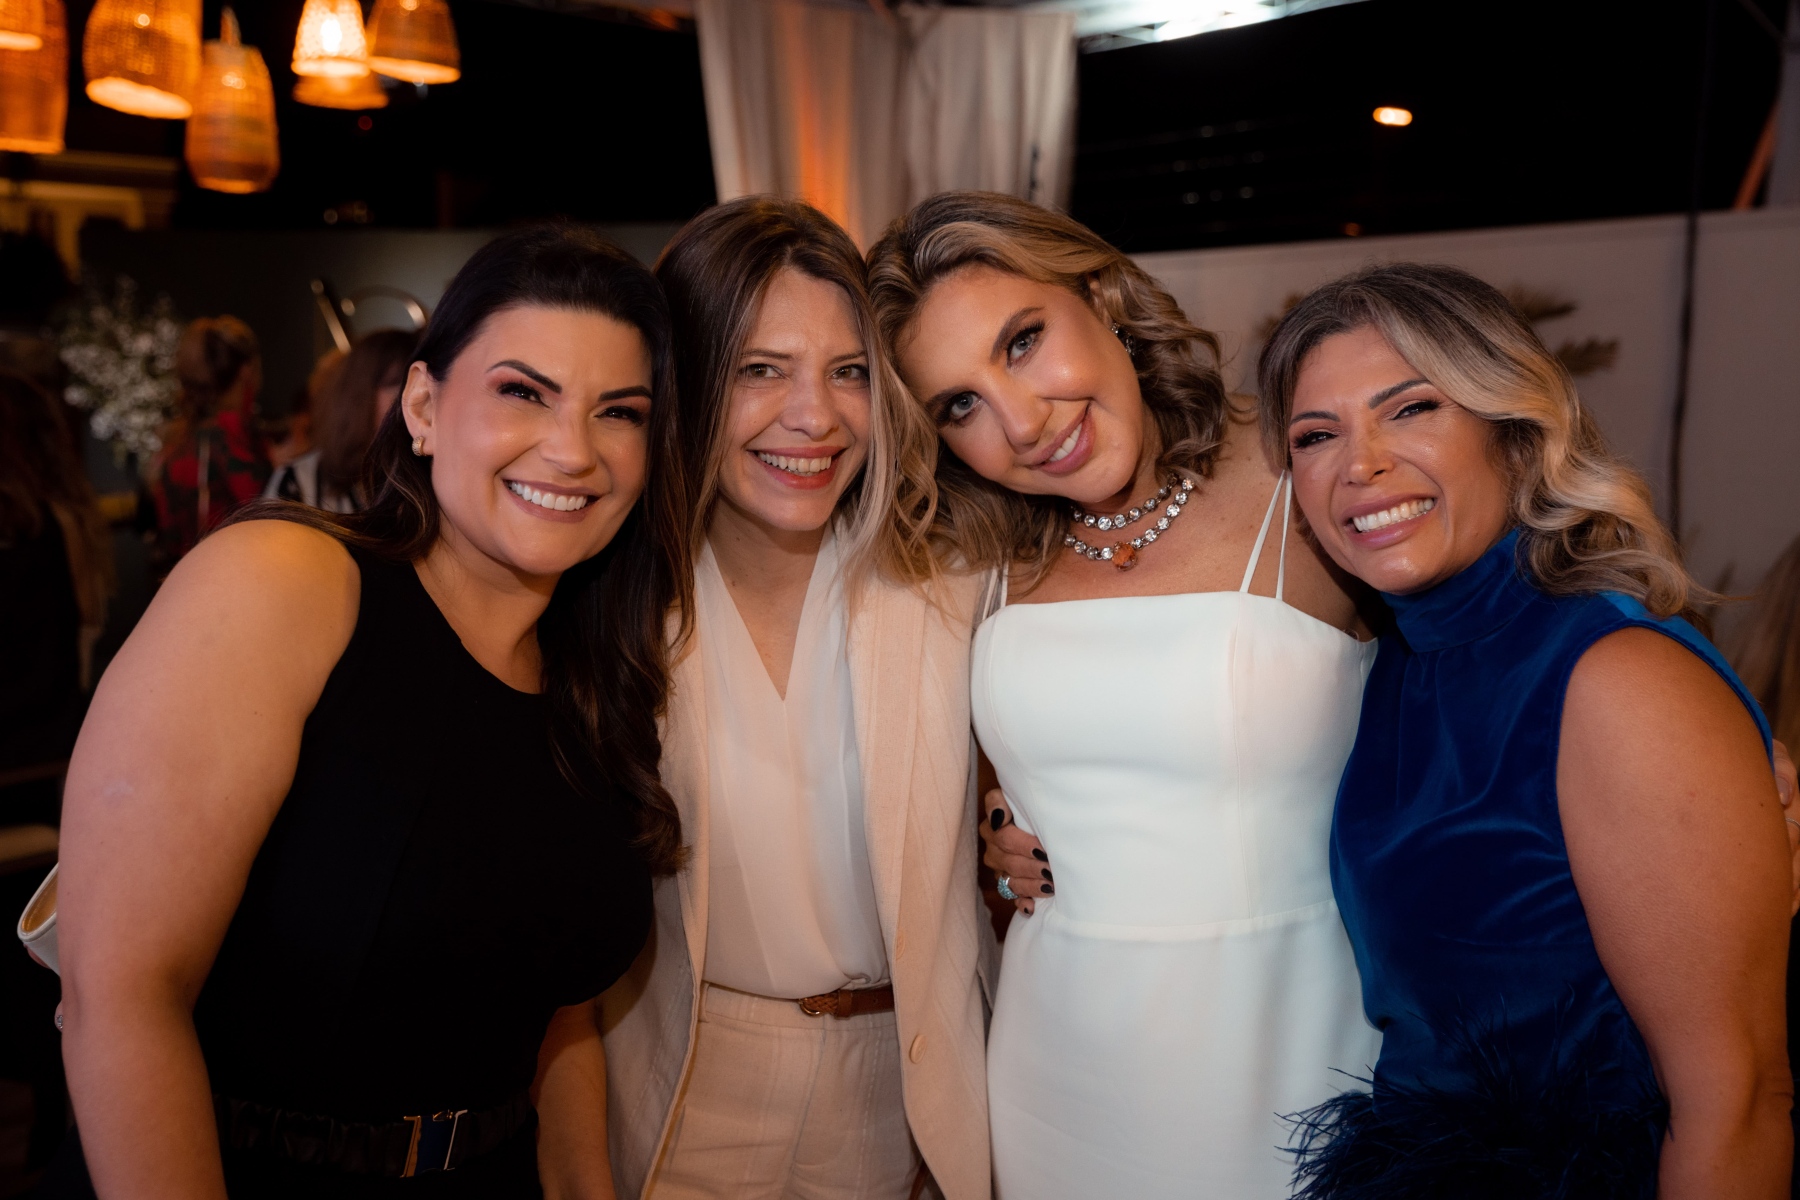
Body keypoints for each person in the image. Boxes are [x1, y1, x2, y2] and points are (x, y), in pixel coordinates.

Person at [49, 225, 685, 1199]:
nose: (573, 450)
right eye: (524, 392)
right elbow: (120, 997)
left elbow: (559, 1018)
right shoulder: (287, 583)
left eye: (620, 412)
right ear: (423, 406)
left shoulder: (599, 681)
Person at [866, 192, 1384, 1198]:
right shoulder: (983, 552)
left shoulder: (1302, 472)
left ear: (1101, 297)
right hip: (1055, 1066)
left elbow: (1490, 680)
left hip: (1288, 1045)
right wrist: (991, 836)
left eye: (1023, 342)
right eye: (960, 406)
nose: (1022, 423)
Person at [1262, 262, 1793, 1197]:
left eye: (1412, 409)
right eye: (1316, 434)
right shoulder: (1395, 662)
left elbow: (1736, 1101)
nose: (1361, 463)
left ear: (1513, 433)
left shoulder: (1615, 678)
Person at [600, 197, 994, 1200]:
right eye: (760, 370)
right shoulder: (613, 604)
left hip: (905, 1085)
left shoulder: (954, 580)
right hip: (682, 1081)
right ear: (686, 380)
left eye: (848, 372)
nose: (815, 417)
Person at [0, 371, 113, 821]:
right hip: (52, 751)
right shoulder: (60, 525)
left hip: (29, 762)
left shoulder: (45, 527)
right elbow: (88, 628)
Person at [142, 316, 269, 575]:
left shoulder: (181, 439)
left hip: (185, 581)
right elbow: (265, 517)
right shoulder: (229, 434)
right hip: (232, 578)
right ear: (246, 371)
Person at [268, 331, 418, 513]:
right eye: (398, 386)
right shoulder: (298, 482)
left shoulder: (427, 475)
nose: (416, 400)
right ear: (361, 395)